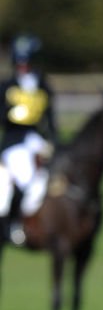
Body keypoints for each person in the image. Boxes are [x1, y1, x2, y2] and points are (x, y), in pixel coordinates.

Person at [0, 34, 58, 239]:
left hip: (36, 140)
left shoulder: (42, 86)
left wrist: (54, 142)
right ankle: (15, 224)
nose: (24, 65)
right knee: (28, 179)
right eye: (20, 61)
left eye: (27, 61)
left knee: (59, 171)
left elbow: (50, 120)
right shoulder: (7, 87)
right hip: (14, 142)